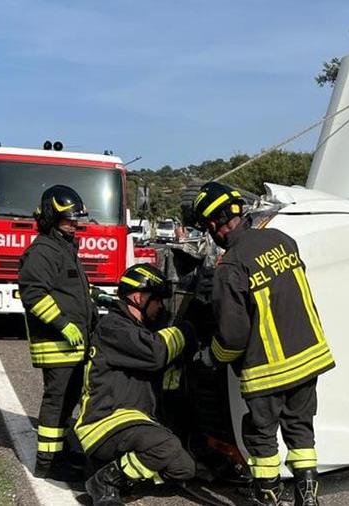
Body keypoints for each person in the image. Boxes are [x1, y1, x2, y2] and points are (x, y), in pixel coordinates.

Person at [191, 182, 335, 506]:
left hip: (267, 369)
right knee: (301, 432)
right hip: (309, 358)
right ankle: (308, 499)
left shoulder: (230, 266)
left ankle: (267, 499)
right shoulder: (284, 241)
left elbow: (233, 337)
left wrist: (210, 357)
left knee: (261, 437)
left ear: (214, 224)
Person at [77, 264, 196, 506]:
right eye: (157, 301)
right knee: (166, 446)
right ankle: (105, 481)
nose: (161, 307)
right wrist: (185, 331)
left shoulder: (135, 329)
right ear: (139, 297)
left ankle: (120, 472)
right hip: (104, 423)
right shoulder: (115, 328)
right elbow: (156, 353)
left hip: (132, 424)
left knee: (184, 468)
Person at [18, 185, 98, 481]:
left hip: (73, 345)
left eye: (76, 219)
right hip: (57, 344)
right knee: (57, 401)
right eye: (68, 219)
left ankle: (61, 450)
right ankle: (47, 464)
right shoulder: (42, 252)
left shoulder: (63, 247)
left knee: (69, 400)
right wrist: (63, 324)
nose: (74, 224)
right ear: (53, 218)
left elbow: (69, 292)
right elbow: (33, 294)